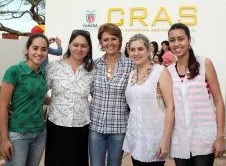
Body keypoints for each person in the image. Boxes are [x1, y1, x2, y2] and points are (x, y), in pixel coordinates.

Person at [167, 23, 225, 166]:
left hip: (204, 139)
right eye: (172, 40)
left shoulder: (204, 64)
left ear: (189, 40)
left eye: (181, 39)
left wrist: (220, 136)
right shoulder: (168, 71)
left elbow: (219, 101)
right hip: (180, 140)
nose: (176, 44)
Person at [122, 34, 174, 166]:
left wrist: (165, 141)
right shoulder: (131, 75)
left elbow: (171, 107)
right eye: (132, 49)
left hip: (154, 140)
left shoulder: (160, 72)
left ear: (149, 50)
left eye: (140, 49)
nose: (136, 53)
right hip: (135, 137)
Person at [44, 29, 95, 166]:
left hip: (81, 127)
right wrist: (49, 101)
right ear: (69, 45)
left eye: (83, 46)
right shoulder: (54, 66)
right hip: (56, 125)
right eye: (75, 44)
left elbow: (96, 95)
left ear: (89, 48)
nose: (79, 49)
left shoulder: (92, 70)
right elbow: (40, 90)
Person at [0, 34, 49, 166]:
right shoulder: (14, 71)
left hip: (40, 133)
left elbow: (38, 97)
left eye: (43, 49)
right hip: (18, 134)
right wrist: (4, 140)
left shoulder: (42, 74)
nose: (39, 53)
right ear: (28, 49)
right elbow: (3, 106)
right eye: (35, 48)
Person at [89, 23, 134, 166]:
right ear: (101, 43)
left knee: (114, 164)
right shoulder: (93, 65)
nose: (110, 43)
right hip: (95, 126)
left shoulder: (131, 65)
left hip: (119, 128)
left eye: (113, 39)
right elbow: (90, 91)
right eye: (105, 39)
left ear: (120, 40)